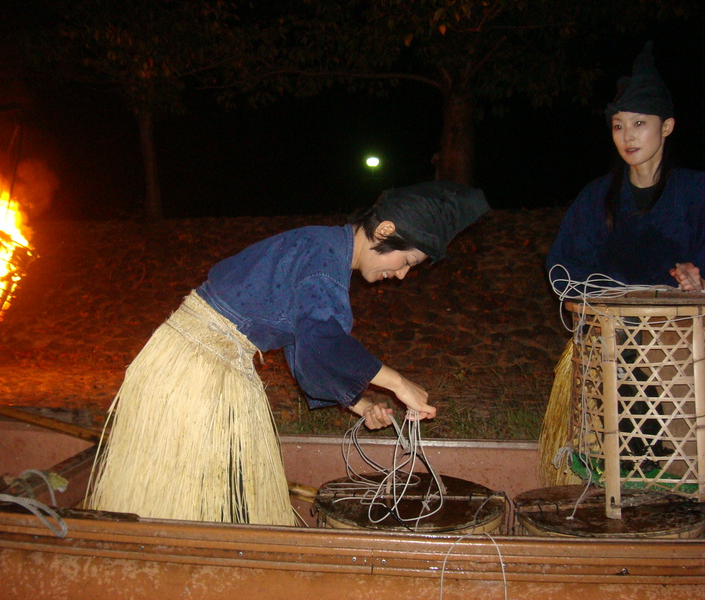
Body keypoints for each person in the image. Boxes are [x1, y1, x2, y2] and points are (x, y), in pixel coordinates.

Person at [88, 180, 490, 526]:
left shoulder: (323, 251)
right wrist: (398, 383)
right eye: (408, 260)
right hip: (195, 369)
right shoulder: (323, 260)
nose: (401, 274)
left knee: (209, 493)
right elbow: (323, 340)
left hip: (206, 361)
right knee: (190, 495)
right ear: (385, 230)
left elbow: (306, 348)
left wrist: (360, 403)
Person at [546, 41, 704, 292]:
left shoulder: (697, 192)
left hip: (681, 317)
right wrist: (609, 296)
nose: (627, 136)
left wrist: (698, 280)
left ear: (666, 127)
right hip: (609, 315)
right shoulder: (596, 196)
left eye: (639, 123)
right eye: (618, 126)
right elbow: (562, 268)